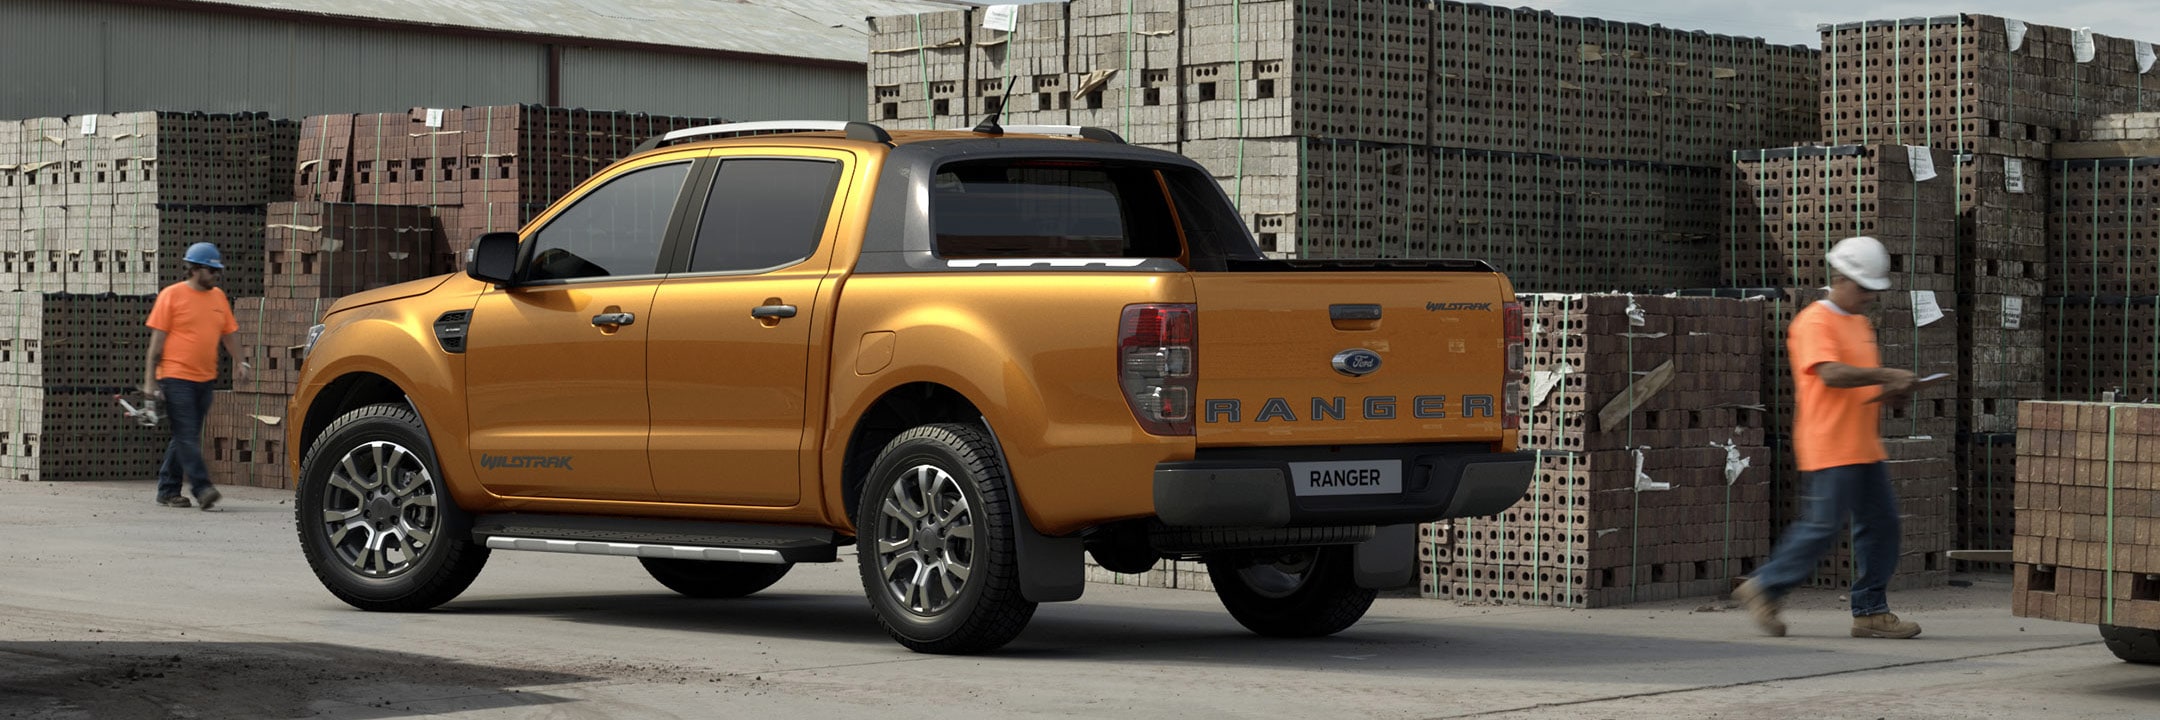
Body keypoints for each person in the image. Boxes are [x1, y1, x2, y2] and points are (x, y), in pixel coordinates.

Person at [1734, 235, 1925, 640]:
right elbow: (1830, 374)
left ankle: (1871, 611)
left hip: (1862, 445)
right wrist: (1885, 375)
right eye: (1864, 289)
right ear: (1840, 278)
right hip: (1829, 444)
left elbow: (1860, 383)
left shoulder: (1858, 323)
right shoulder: (1814, 321)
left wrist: (1892, 395)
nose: (1869, 298)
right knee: (1822, 526)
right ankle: (1765, 585)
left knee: (1882, 525)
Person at [143, 242, 248, 510]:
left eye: (217, 271)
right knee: (187, 434)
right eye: (212, 271)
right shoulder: (172, 296)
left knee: (185, 436)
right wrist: (150, 383)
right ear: (195, 269)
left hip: (205, 378)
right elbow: (156, 344)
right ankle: (202, 489)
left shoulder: (218, 298)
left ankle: (167, 489)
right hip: (175, 376)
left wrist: (240, 361)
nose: (216, 276)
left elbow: (230, 333)